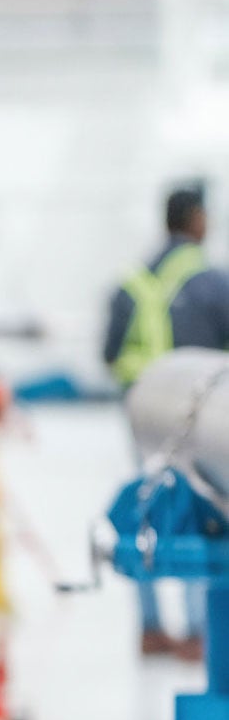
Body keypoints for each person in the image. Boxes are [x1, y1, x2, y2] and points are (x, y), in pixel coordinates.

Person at [103, 184, 229, 659]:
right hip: (204, 421)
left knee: (151, 510)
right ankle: (198, 631)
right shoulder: (212, 282)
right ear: (196, 220)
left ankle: (152, 627)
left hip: (143, 415)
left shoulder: (132, 282)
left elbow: (110, 353)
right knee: (201, 512)